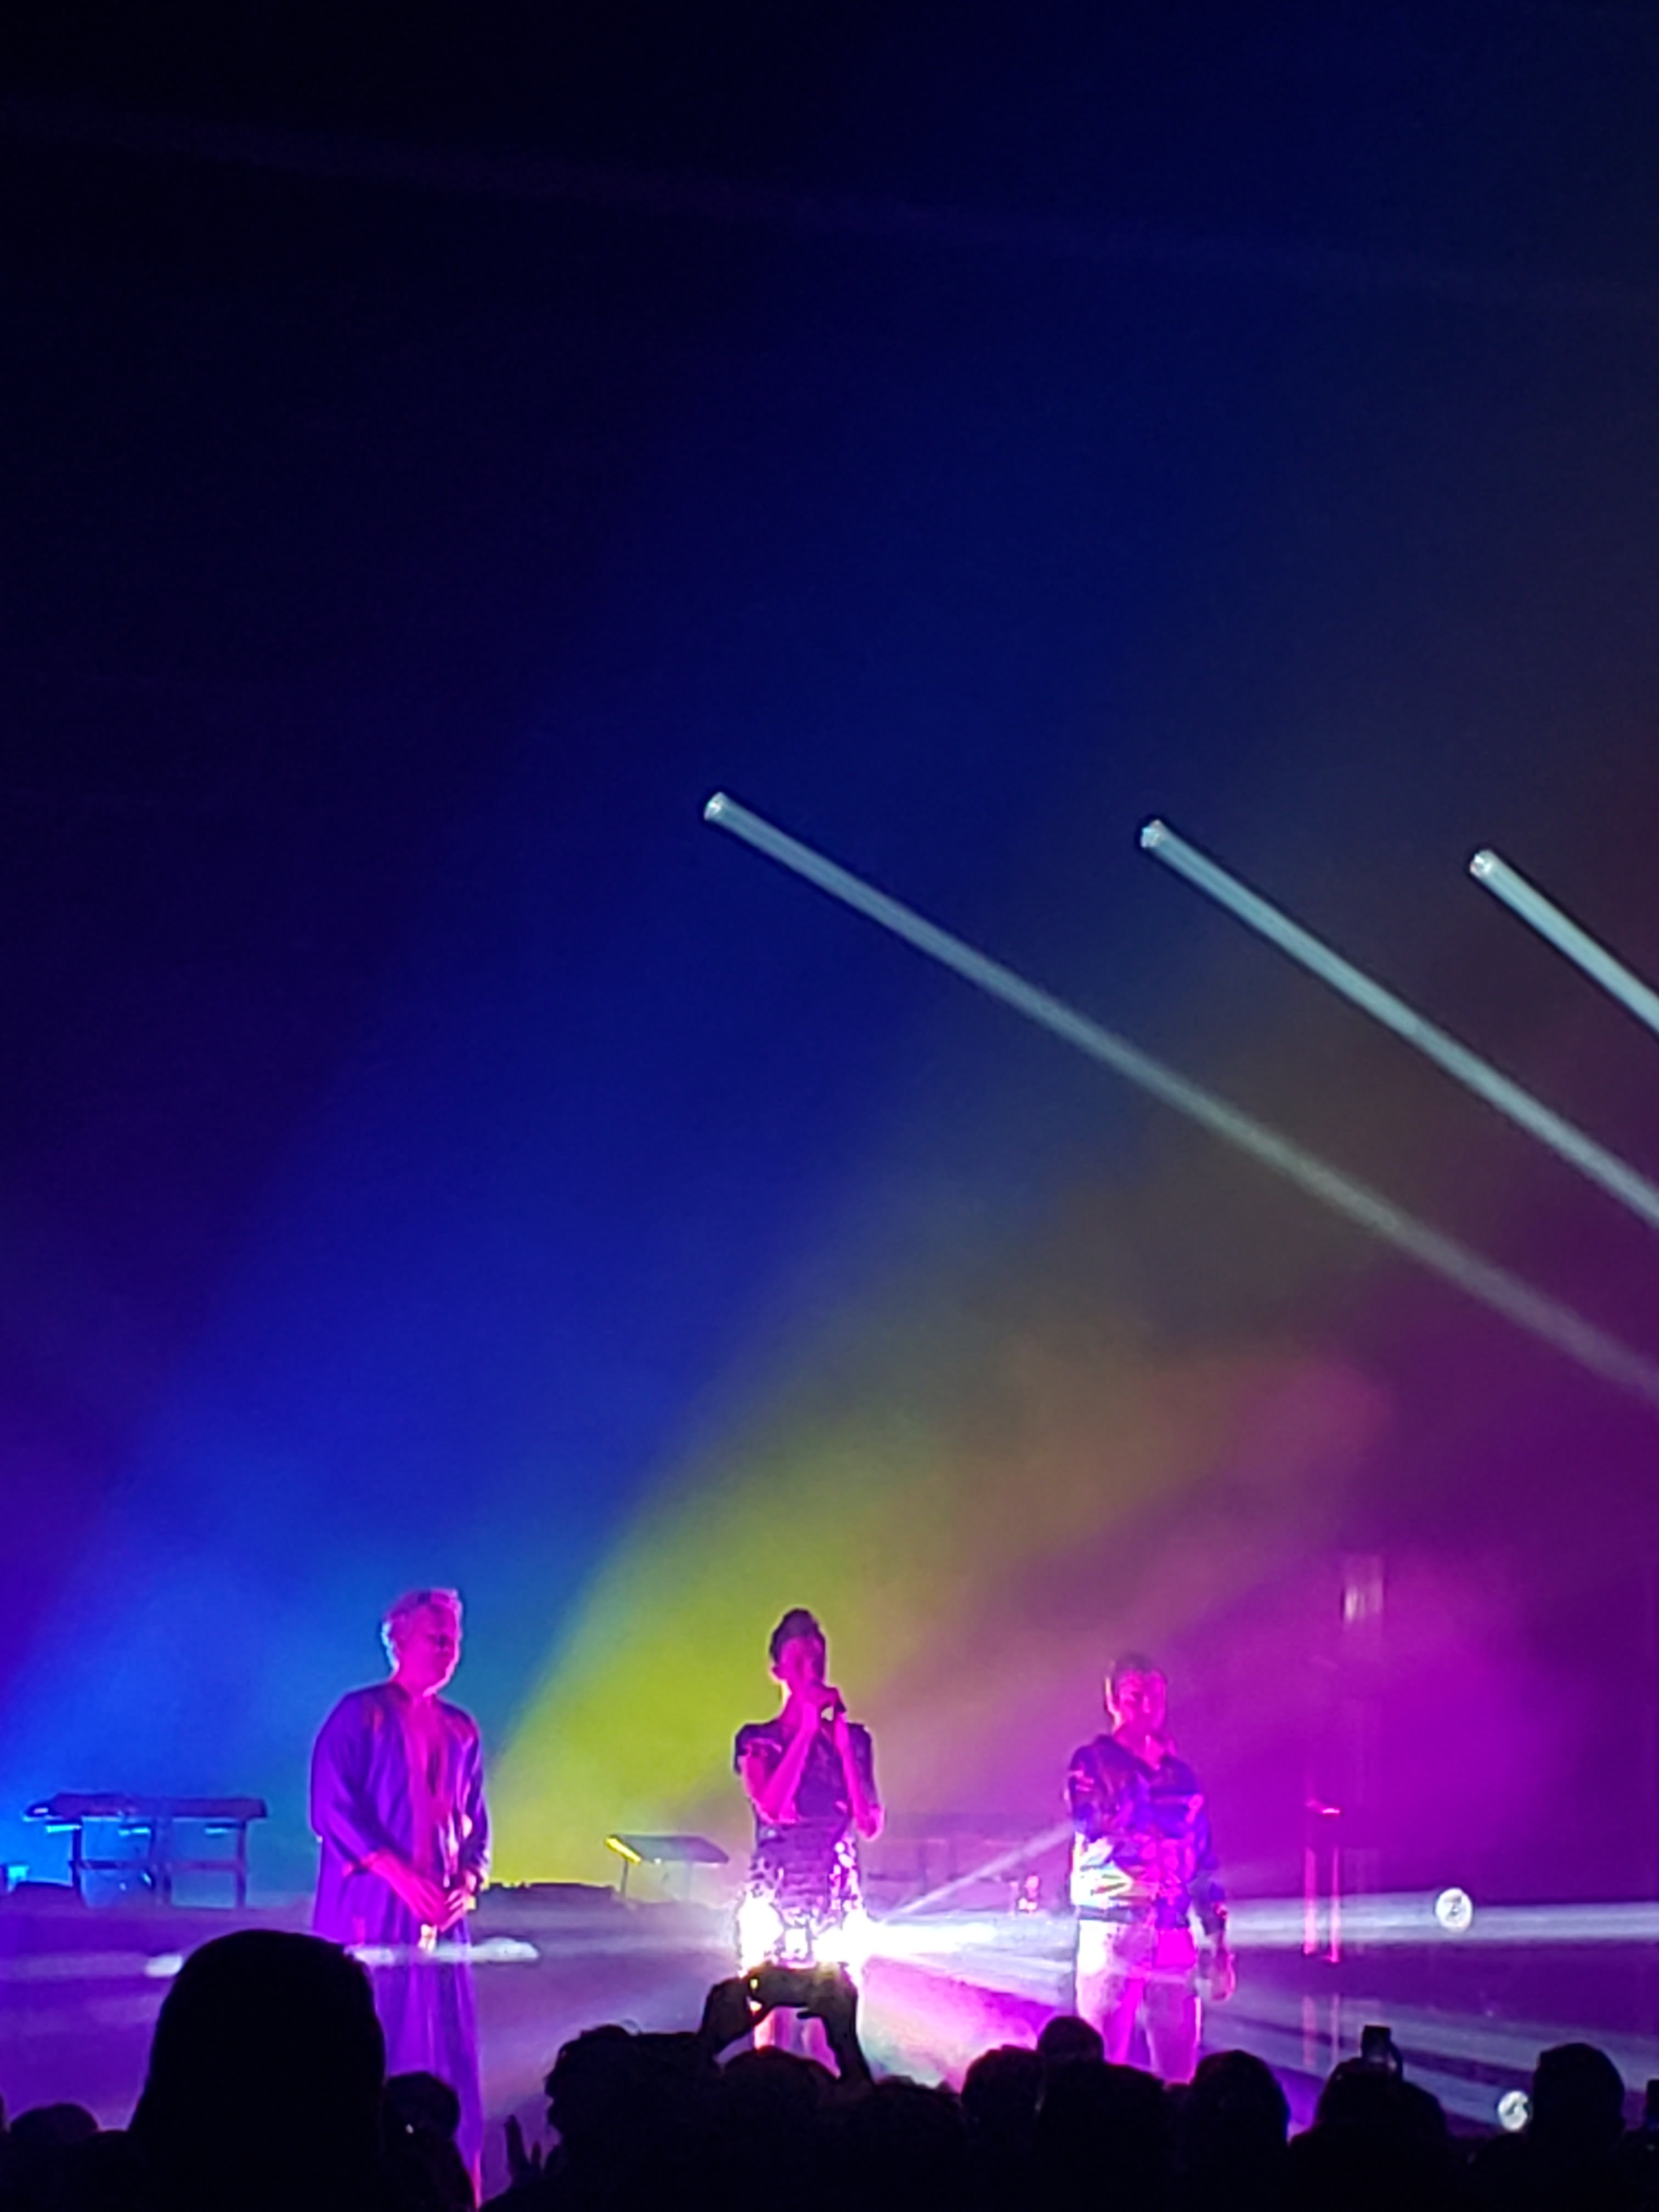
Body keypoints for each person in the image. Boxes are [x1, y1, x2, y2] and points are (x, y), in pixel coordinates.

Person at [311, 1588, 489, 2181]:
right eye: (436, 1638)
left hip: (441, 1919)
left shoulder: (462, 1730)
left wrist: (467, 1882)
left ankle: (448, 2179)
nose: (448, 1650)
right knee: (369, 2038)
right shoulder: (360, 1715)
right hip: (374, 1911)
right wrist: (397, 1875)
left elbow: (478, 1824)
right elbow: (333, 1808)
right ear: (400, 1642)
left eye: (453, 1640)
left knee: (445, 2043)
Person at [1065, 1651, 1231, 2081]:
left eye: (1156, 1697)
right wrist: (1138, 1770)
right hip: (1112, 1928)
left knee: (1179, 2073)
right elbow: (1090, 1822)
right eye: (1135, 1697)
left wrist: (1218, 1940)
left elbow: (1203, 1860)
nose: (1147, 1707)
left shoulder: (1182, 1776)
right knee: (1099, 2071)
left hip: (1173, 1932)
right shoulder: (1091, 1762)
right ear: (1113, 1701)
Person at [734, 1609, 882, 1985]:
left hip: (835, 1893)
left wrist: (844, 1750)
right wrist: (805, 1732)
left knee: (833, 2005)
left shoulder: (855, 1741)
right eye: (799, 1661)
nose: (811, 1671)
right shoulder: (759, 1740)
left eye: (817, 1660)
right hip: (776, 1890)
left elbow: (868, 1824)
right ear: (778, 1671)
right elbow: (772, 1808)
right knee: (767, 2003)